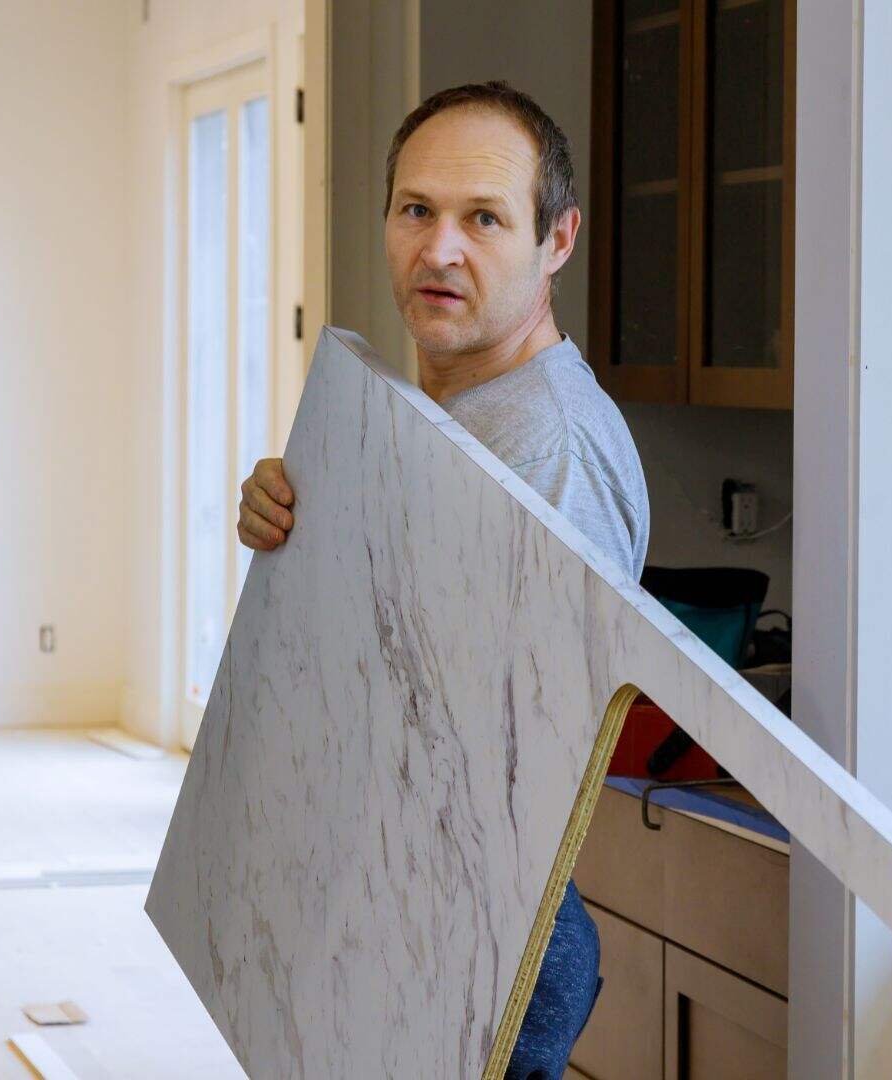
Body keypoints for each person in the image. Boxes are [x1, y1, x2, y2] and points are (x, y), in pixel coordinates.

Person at [235, 82, 649, 1078]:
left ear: (557, 241)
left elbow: (510, 765)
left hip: (478, 945)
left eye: (485, 219)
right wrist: (297, 533)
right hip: (396, 918)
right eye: (416, 209)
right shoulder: (430, 419)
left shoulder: (546, 450)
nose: (440, 250)